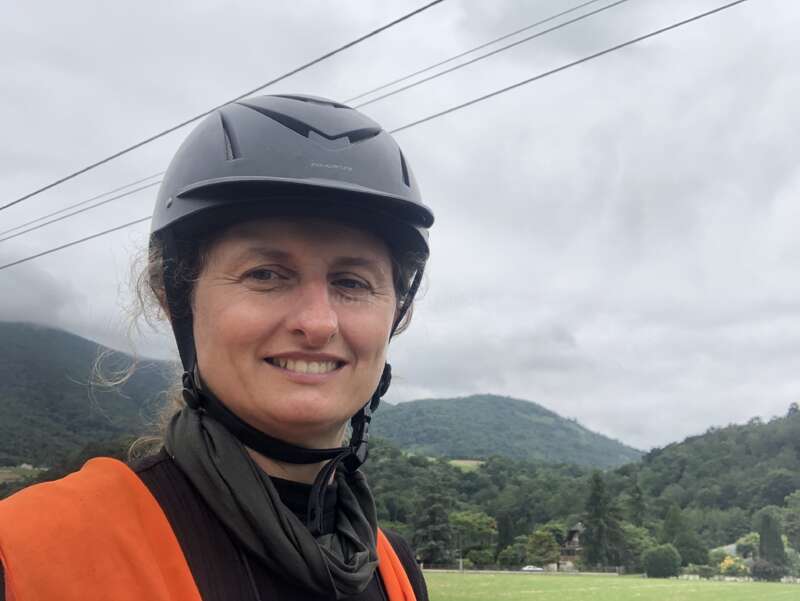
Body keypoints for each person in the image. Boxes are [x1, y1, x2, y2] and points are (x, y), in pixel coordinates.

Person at [0, 94, 434, 600]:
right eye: (266, 274)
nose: (317, 323)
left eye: (353, 282)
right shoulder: (28, 554)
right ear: (176, 299)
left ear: (395, 316)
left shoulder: (393, 571)